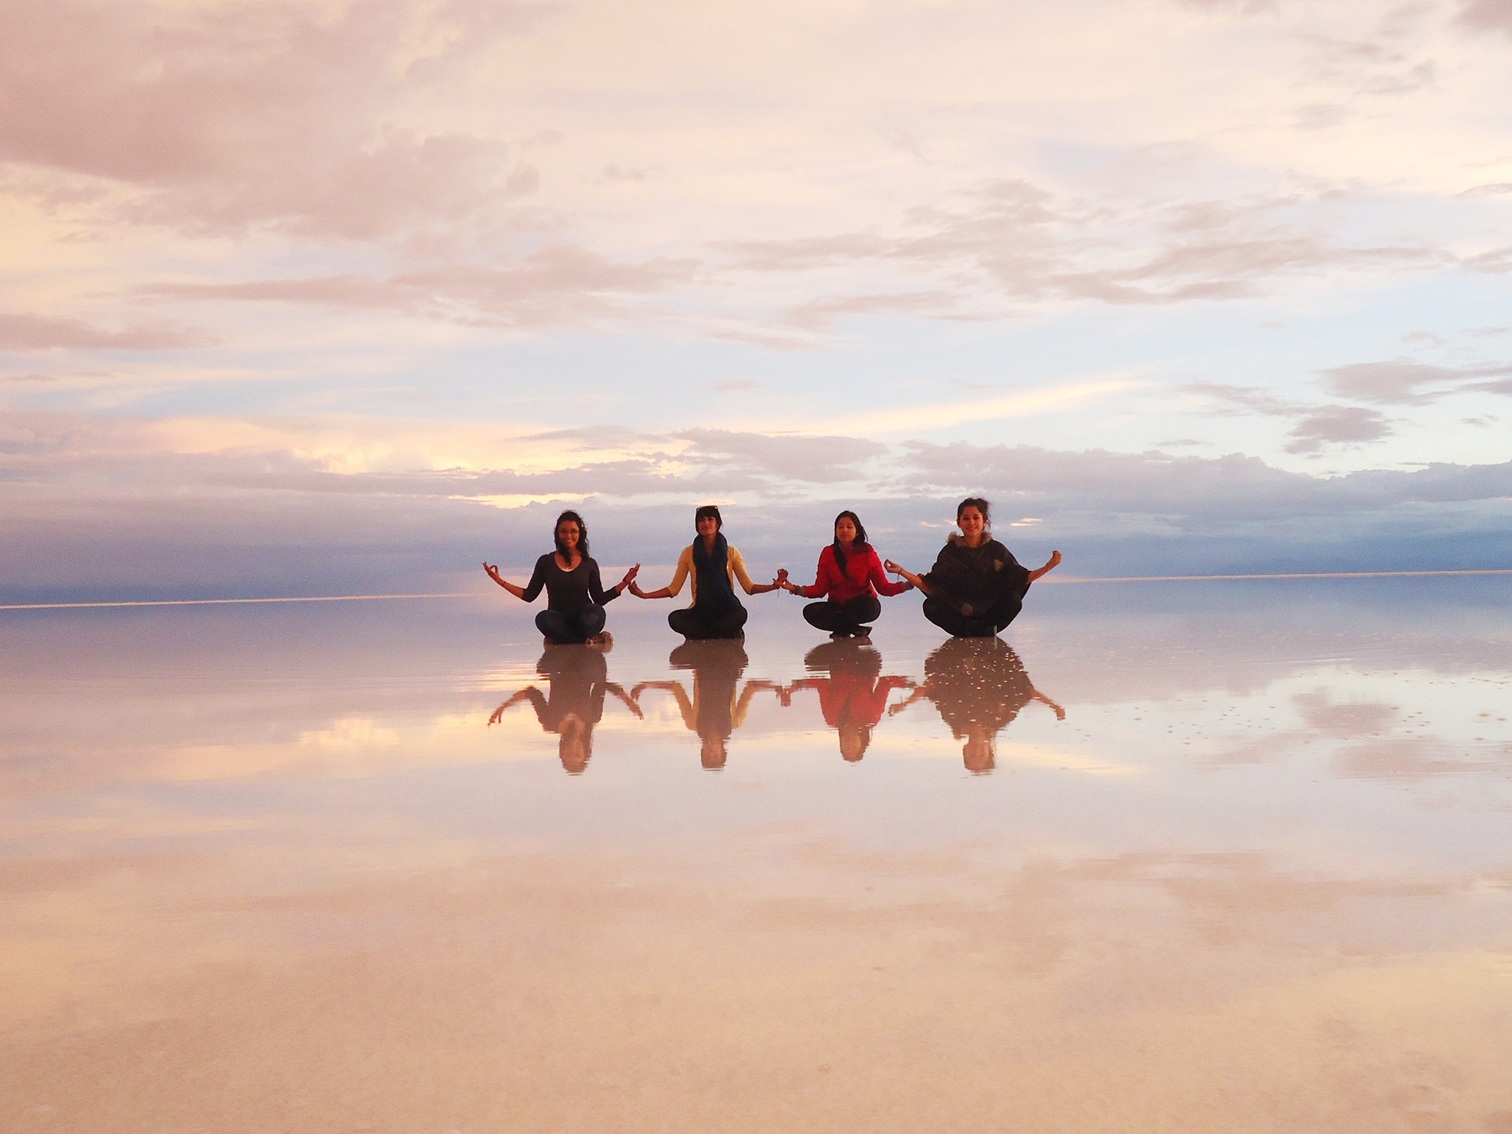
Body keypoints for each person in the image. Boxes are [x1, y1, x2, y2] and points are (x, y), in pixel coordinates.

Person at [885, 497, 1061, 638]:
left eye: (976, 517)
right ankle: (969, 631)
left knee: (1013, 600)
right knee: (930, 606)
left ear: (984, 521)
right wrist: (902, 571)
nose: (971, 522)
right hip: (961, 618)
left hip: (991, 617)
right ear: (959, 522)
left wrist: (1047, 567)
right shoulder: (950, 553)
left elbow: (1019, 578)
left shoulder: (996, 550)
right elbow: (932, 586)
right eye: (966, 518)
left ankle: (985, 629)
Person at [888, 637, 1064, 773]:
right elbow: (1025, 691)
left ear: (965, 749)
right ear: (989, 750)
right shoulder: (1000, 719)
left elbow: (933, 687)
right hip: (993, 651)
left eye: (972, 754)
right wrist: (1053, 705)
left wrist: (904, 704)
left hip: (958, 650)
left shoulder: (955, 720)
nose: (977, 750)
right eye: (981, 754)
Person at [483, 510, 639, 645]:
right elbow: (529, 595)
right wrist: (500, 581)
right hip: (558, 619)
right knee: (542, 618)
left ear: (580, 533)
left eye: (573, 531)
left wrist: (625, 582)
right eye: (563, 531)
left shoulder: (589, 563)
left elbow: (599, 598)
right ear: (557, 534)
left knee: (596, 611)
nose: (568, 536)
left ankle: (569, 640)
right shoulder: (545, 561)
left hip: (584, 618)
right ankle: (585, 640)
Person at [629, 505, 785, 639]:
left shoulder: (731, 553)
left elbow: (748, 587)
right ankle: (717, 635)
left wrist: (774, 586)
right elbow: (674, 589)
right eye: (701, 520)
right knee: (674, 618)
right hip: (702, 612)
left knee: (741, 614)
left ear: (718, 524)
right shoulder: (688, 553)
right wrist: (644, 595)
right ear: (697, 526)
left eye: (710, 519)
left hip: (727, 610)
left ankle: (707, 635)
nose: (706, 523)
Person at [487, 645, 641, 774]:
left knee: (548, 627)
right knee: (593, 658)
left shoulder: (550, 724)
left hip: (558, 663)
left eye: (568, 754)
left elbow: (532, 693)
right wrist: (628, 701)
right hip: (586, 662)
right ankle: (588, 636)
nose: (572, 749)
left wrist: (503, 706)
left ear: (562, 751)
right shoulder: (592, 719)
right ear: (585, 750)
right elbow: (602, 685)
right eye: (577, 753)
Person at [780, 510, 912, 638]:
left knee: (864, 606)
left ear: (857, 531)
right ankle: (854, 629)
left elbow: (883, 587)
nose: (844, 530)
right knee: (810, 612)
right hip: (838, 607)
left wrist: (907, 585)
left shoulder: (867, 553)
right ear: (835, 531)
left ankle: (842, 628)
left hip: (861, 605)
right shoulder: (828, 553)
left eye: (849, 527)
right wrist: (794, 589)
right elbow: (820, 589)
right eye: (840, 527)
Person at [783, 639, 913, 762]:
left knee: (811, 660)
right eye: (853, 746)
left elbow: (822, 685)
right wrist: (908, 684)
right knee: (851, 650)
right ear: (862, 741)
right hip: (865, 665)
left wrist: (798, 686)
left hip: (838, 665)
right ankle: (857, 637)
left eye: (846, 747)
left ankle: (846, 634)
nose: (849, 743)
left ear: (841, 741)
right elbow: (885, 683)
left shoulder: (832, 718)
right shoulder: (871, 718)